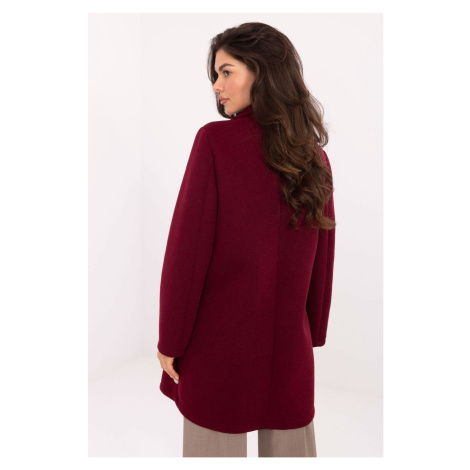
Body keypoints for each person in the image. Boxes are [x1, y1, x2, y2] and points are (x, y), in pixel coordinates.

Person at [157, 22, 336, 458]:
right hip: (288, 347)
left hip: (218, 346)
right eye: (215, 75)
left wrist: (170, 341)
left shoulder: (215, 142)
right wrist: (311, 331)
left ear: (262, 71)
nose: (216, 86)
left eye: (226, 72)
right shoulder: (313, 156)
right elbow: (323, 255)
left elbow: (187, 253)